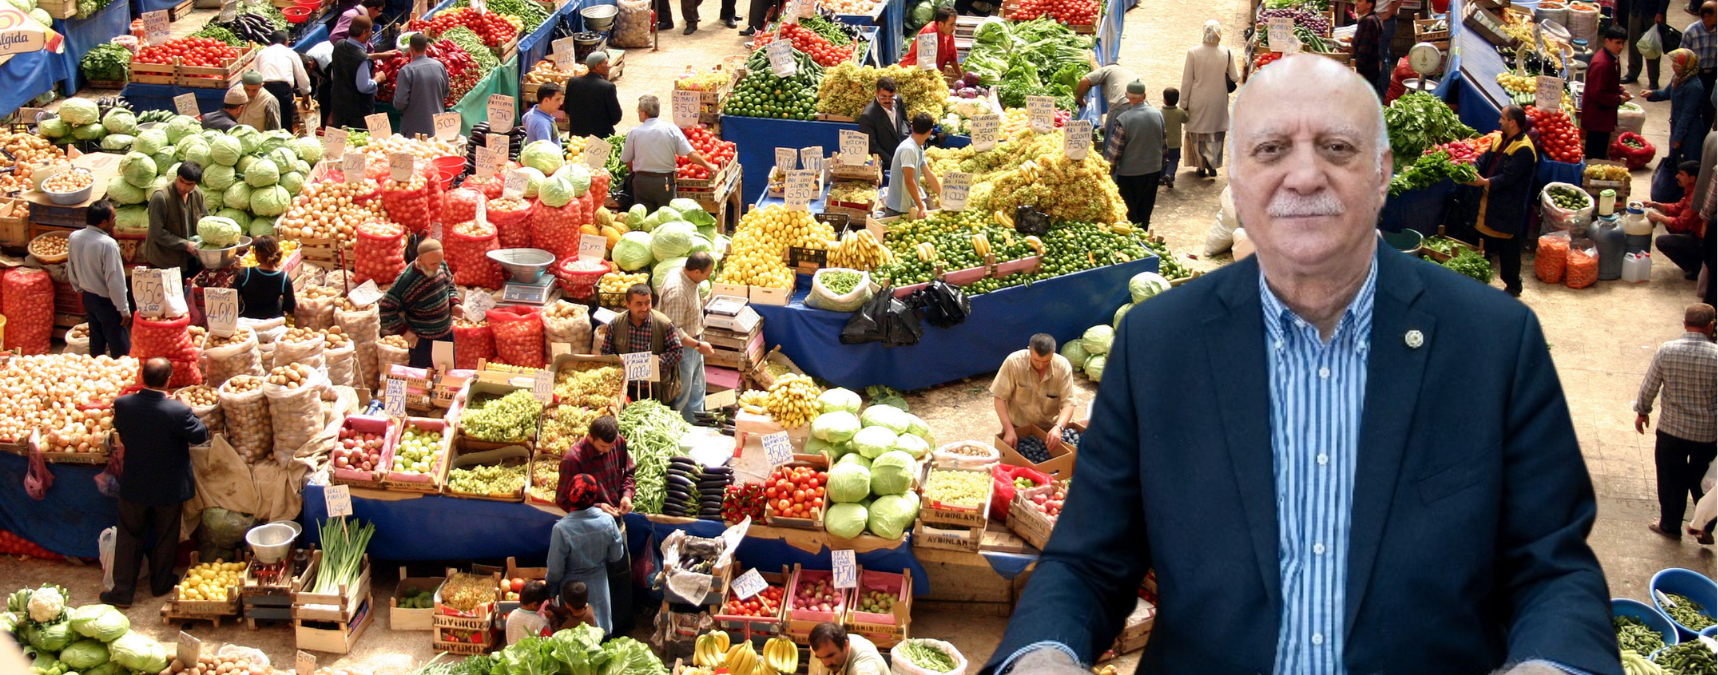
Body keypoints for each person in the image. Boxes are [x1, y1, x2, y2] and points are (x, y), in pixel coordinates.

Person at [985, 55, 1616, 675]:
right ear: (1234, 179)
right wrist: (1044, 654)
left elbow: (1552, 567)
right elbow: (1086, 563)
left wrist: (1551, 665)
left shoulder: (1495, 343)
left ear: (1383, 172)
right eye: (1270, 150)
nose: (1305, 176)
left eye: (1338, 148)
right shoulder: (1157, 346)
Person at [100, 358, 210, 608]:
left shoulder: (123, 404)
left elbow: (122, 429)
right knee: (165, 537)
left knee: (130, 537)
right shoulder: (178, 411)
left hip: (135, 484)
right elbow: (200, 435)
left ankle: (122, 592)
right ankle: (160, 584)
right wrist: (189, 409)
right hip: (169, 487)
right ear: (169, 380)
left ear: (142, 377)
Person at [1636, 303, 1717, 541]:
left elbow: (1650, 385)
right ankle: (1703, 527)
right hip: (1707, 434)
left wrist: (1642, 411)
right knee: (1706, 482)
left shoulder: (1667, 351)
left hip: (1671, 430)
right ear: (1711, 326)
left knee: (1670, 479)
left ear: (1684, 323)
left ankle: (1670, 525)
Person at [1462, 105, 1538, 297]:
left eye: (1502, 118)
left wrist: (1483, 182)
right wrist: (1472, 169)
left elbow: (1508, 178)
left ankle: (1513, 286)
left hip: (1506, 205)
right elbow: (1484, 159)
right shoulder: (1499, 140)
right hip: (1487, 201)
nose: (1499, 121)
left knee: (1508, 248)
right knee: (1482, 241)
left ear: (1512, 122)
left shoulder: (1525, 150)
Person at [546, 474, 626, 636]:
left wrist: (551, 590)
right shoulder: (607, 521)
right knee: (600, 632)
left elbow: (555, 569)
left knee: (574, 639)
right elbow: (617, 555)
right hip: (599, 583)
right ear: (594, 495)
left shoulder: (562, 529)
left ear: (570, 496)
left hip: (570, 590)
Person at [620, 95, 716, 212]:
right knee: (666, 217)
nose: (638, 113)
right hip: (664, 183)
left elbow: (627, 159)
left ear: (644, 113)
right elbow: (691, 155)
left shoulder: (634, 132)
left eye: (639, 111)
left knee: (644, 219)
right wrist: (709, 166)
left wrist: (632, 169)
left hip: (642, 183)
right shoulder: (671, 129)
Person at [67, 199, 131, 358]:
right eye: (113, 218)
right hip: (107, 302)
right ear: (103, 222)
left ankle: (96, 367)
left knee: (96, 341)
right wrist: (124, 309)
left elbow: (71, 266)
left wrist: (78, 288)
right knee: (120, 347)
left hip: (88, 298)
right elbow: (114, 280)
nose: (115, 221)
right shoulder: (108, 244)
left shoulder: (74, 237)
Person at [991, 333, 1076, 452]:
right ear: (1029, 350)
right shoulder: (1014, 362)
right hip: (1017, 427)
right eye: (1036, 360)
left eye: (1047, 361)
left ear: (1053, 352)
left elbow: (1069, 403)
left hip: (1048, 430)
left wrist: (1059, 427)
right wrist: (1009, 430)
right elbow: (999, 398)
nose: (1041, 365)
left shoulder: (1062, 367)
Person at [601, 284, 686, 403]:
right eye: (639, 304)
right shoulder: (616, 324)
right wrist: (618, 361)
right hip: (626, 387)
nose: (644, 308)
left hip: (655, 388)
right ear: (627, 304)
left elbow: (677, 351)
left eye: (647, 303)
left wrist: (653, 363)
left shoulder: (663, 324)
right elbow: (606, 352)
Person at [379, 239, 456, 368]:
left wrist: (454, 303)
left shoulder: (440, 264)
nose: (438, 267)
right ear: (420, 260)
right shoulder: (406, 281)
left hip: (445, 334)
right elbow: (386, 308)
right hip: (423, 342)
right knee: (423, 379)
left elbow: (450, 283)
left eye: (439, 262)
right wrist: (404, 331)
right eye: (433, 264)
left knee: (446, 374)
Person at [659, 252, 716, 422]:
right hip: (683, 348)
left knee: (696, 388)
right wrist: (698, 346)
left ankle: (696, 422)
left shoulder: (685, 275)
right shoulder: (678, 292)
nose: (708, 277)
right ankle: (679, 426)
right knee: (682, 391)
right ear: (696, 271)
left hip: (694, 343)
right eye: (707, 274)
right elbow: (674, 329)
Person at [1180, 20, 1238, 178]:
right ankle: (1212, 163)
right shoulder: (1227, 52)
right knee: (1215, 133)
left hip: (1197, 100)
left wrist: (1183, 103)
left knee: (1198, 134)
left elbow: (1187, 81)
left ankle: (1200, 166)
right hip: (1218, 100)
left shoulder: (1193, 52)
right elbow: (1235, 77)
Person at [1104, 81, 1165, 228]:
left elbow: (1115, 152)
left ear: (1127, 96)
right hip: (1153, 170)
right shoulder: (1158, 114)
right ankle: (1143, 234)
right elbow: (1163, 143)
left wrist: (1108, 170)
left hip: (1130, 174)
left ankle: (1133, 239)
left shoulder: (1124, 119)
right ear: (1144, 96)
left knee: (1129, 211)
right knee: (1146, 207)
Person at [1640, 49, 1708, 170]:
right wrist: (1652, 94)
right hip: (1677, 127)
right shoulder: (1678, 78)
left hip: (1690, 132)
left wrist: (1678, 138)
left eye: (1676, 65)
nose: (1672, 67)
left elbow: (1687, 115)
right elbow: (1667, 93)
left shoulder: (1694, 87)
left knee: (1685, 166)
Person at [555, 416, 636, 514]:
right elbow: (563, 500)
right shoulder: (572, 460)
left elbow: (629, 473)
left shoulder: (619, 441)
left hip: (618, 514)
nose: (607, 450)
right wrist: (597, 508)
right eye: (602, 446)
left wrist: (627, 495)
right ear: (590, 437)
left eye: (611, 445)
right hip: (590, 523)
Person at [329, 16, 399, 129]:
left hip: (339, 106)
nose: (371, 33)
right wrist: (378, 79)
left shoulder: (339, 46)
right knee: (358, 142)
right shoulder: (362, 60)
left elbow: (354, 56)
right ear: (364, 33)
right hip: (357, 113)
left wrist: (380, 55)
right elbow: (364, 87)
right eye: (370, 30)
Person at [144, 162, 207, 285]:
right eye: (181, 181)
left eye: (189, 184)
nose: (183, 187)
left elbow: (205, 218)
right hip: (165, 261)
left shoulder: (197, 194)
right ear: (177, 177)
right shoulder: (161, 197)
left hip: (190, 259)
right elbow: (157, 233)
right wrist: (186, 244)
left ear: (195, 184)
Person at [1647, 161, 1711, 278]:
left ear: (1692, 178)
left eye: (1681, 174)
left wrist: (1659, 217)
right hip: (1695, 232)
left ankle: (1696, 268)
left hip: (1702, 240)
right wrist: (1655, 204)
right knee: (1667, 222)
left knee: (1662, 241)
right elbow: (1678, 207)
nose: (1677, 176)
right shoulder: (1692, 190)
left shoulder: (1695, 197)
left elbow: (1680, 224)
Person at [1582, 25, 1633, 160]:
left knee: (1600, 149)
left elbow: (1609, 82)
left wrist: (1621, 90)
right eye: (1617, 43)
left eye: (1623, 43)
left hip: (1604, 116)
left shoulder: (1612, 58)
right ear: (1607, 41)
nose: (1621, 47)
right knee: (1595, 153)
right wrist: (1618, 100)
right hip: (1597, 117)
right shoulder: (1601, 63)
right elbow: (1597, 93)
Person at [882, 113, 939, 218]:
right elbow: (909, 181)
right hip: (897, 208)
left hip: (908, 206)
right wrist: (921, 206)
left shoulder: (918, 147)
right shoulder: (909, 149)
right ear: (930, 131)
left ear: (912, 128)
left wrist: (942, 196)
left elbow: (928, 174)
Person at [392, 33, 449, 138]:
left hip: (414, 130)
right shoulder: (440, 66)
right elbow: (445, 93)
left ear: (411, 49)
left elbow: (400, 103)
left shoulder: (407, 70)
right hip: (438, 126)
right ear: (427, 47)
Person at [255, 31, 310, 132]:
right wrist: (306, 96)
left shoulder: (261, 53)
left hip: (265, 90)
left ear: (270, 43)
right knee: (285, 124)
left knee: (267, 123)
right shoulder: (291, 53)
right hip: (283, 91)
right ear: (287, 42)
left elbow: (255, 75)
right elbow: (302, 77)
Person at [233, 236, 297, 320]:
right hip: (273, 324)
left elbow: (232, 299)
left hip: (248, 321)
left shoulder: (246, 274)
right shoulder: (283, 278)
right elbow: (290, 307)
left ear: (258, 254)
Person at [565, 52, 623, 139]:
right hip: (600, 139)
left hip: (577, 139)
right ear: (597, 66)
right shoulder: (607, 87)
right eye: (606, 63)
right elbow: (616, 117)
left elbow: (566, 109)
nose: (609, 66)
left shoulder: (573, 82)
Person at [857, 77, 909, 165]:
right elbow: (872, 146)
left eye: (891, 97)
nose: (888, 100)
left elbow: (904, 122)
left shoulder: (898, 100)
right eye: (883, 97)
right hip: (886, 164)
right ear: (876, 93)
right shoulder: (868, 116)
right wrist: (892, 162)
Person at [1620, 0, 1671, 88]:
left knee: (1652, 46)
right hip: (1636, 9)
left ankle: (1653, 79)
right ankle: (1633, 73)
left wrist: (1661, 12)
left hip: (1653, 11)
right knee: (1633, 42)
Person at [1075, 63, 1139, 130]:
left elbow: (1084, 80)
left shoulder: (1107, 69)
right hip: (1141, 104)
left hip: (1122, 102)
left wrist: (1079, 98)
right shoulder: (1127, 72)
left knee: (1111, 134)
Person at [808, 623, 888, 675]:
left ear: (845, 645)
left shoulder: (865, 663)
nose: (826, 663)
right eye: (820, 658)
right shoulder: (823, 650)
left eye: (830, 656)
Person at [898, 6, 958, 74]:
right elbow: (925, 65)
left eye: (954, 24)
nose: (954, 28)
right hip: (913, 71)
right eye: (951, 25)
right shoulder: (928, 34)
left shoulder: (948, 33)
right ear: (941, 24)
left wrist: (960, 76)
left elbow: (952, 56)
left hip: (933, 73)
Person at [1350, 0, 1391, 98]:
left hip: (1367, 71)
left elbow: (1364, 49)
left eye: (1360, 1)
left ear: (1369, 5)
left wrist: (1357, 71)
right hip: (1372, 70)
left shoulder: (1368, 22)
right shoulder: (1373, 18)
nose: (1356, 3)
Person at [1685, 2, 1717, 114]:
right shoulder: (1691, 31)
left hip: (1713, 76)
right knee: (1694, 108)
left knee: (1710, 108)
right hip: (1697, 75)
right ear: (1707, 16)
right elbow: (1683, 57)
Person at [1159, 88, 1188, 188]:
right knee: (1174, 159)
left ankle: (1161, 177)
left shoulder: (1160, 113)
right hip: (1175, 143)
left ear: (1164, 100)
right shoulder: (1179, 112)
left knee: (1162, 160)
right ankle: (1169, 175)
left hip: (1162, 143)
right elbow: (1186, 119)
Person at [506, 580, 550, 644]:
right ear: (534, 605)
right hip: (529, 654)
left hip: (512, 652)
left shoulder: (512, 615)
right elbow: (549, 640)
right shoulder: (537, 622)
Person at [523, 82, 564, 148]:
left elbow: (524, 119)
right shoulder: (543, 125)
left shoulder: (533, 111)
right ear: (546, 100)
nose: (561, 103)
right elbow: (546, 151)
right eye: (557, 99)